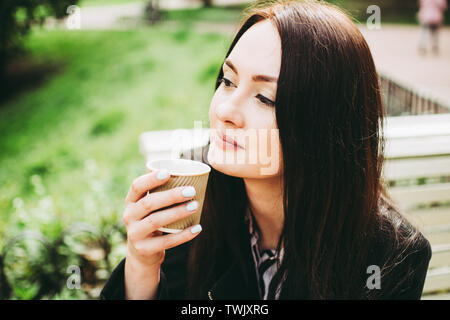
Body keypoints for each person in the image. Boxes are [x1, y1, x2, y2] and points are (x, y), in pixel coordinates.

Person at [100, 0, 432, 300]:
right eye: (228, 82)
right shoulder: (191, 198)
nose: (225, 111)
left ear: (327, 126)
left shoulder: (390, 255)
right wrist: (142, 266)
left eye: (265, 98)